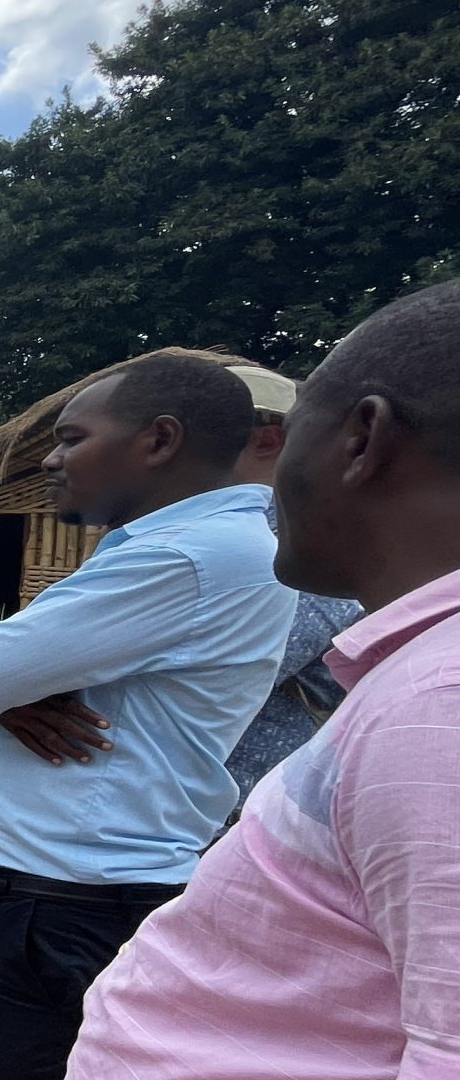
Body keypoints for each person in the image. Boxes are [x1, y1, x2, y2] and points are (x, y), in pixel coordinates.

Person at [71, 280, 460, 1078]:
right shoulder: (416, 677)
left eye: (286, 437)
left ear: (361, 438)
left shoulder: (439, 711)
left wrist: (27, 680)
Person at [0, 352, 297, 1080]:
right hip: (73, 895)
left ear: (158, 439)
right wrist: (4, 694)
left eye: (71, 438)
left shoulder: (184, 558)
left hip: (68, 908)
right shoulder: (181, 549)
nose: (53, 460)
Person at [220, 365, 364, 813]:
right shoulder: (201, 534)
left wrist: (15, 684)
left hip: (240, 814)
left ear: (267, 440)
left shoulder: (303, 544)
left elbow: (221, 677)